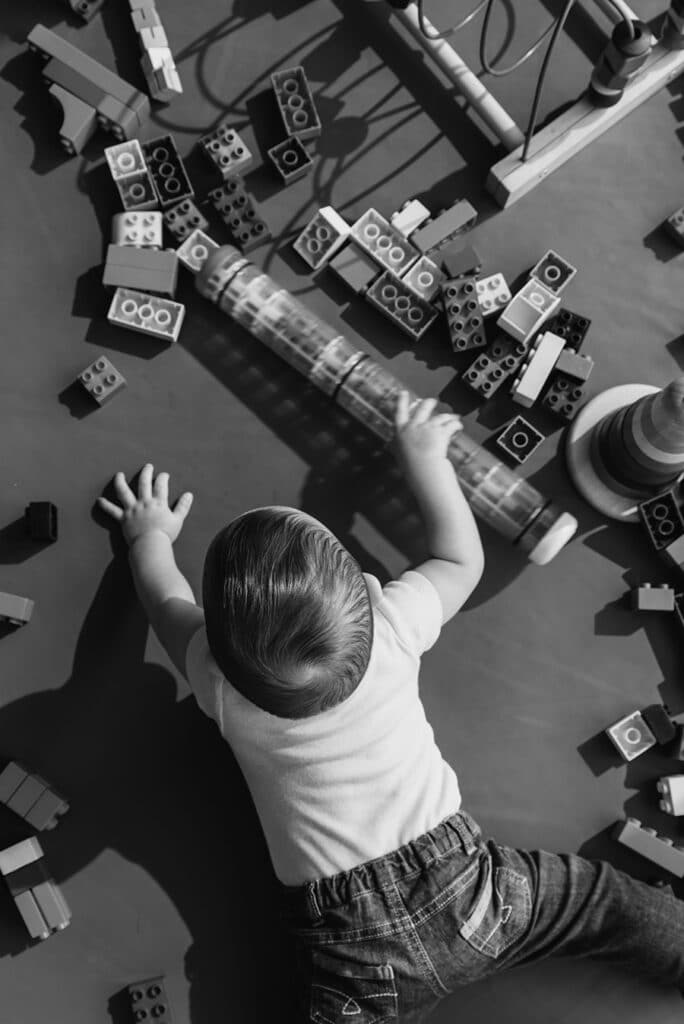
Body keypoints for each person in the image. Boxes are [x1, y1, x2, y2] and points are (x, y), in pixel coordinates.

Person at [98, 392, 684, 1022]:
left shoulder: (217, 682)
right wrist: (425, 458)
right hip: (475, 895)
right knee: (606, 909)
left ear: (215, 644)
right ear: (371, 592)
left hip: (354, 953)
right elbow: (461, 559)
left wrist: (149, 535)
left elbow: (164, 601)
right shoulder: (390, 627)